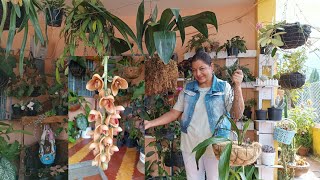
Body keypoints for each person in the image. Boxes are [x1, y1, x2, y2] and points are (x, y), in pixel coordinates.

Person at [144, 49, 244, 180]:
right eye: (194, 70)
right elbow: (174, 113)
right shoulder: (188, 88)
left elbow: (237, 114)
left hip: (216, 147)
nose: (198, 74)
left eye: (202, 68)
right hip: (190, 145)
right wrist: (150, 123)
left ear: (211, 67)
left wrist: (237, 86)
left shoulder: (223, 87)